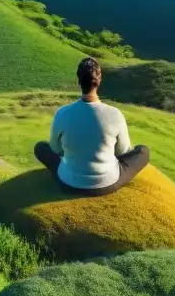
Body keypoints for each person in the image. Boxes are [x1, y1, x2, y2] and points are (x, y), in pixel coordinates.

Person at [34, 57, 150, 196]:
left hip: (68, 181)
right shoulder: (114, 114)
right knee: (143, 151)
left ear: (78, 81)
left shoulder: (63, 113)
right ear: (99, 79)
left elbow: (55, 149)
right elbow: (122, 152)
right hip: (107, 183)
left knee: (40, 147)